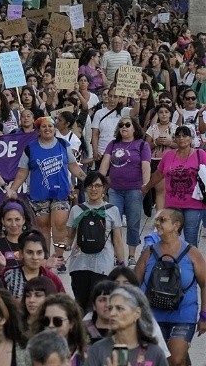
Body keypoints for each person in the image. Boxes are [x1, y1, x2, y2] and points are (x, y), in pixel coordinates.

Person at [9, 116, 87, 271]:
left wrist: (89, 179)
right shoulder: (30, 148)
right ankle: (45, 259)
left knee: (59, 225)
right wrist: (13, 189)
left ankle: (59, 259)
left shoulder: (63, 145)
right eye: (44, 127)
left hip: (61, 193)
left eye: (50, 126)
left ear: (55, 128)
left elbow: (73, 166)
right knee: (43, 227)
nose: (47, 129)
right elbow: (22, 173)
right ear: (39, 130)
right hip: (39, 194)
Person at [134, 207, 206, 366]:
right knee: (155, 362)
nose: (157, 223)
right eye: (157, 220)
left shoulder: (192, 253)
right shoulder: (148, 252)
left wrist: (204, 315)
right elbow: (133, 283)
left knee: (176, 360)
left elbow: (205, 283)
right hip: (152, 315)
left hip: (183, 314)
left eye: (162, 220)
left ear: (176, 225)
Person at [63, 172, 126, 310]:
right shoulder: (76, 210)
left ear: (104, 188)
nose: (94, 189)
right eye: (90, 186)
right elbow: (69, 236)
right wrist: (62, 251)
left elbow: (118, 240)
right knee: (80, 304)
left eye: (98, 186)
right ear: (85, 188)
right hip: (79, 265)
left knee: (98, 305)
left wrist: (122, 264)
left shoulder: (113, 210)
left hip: (103, 266)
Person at [98, 116, 151, 264]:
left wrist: (145, 187)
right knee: (114, 223)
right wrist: (99, 184)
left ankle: (132, 255)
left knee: (133, 223)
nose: (124, 127)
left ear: (135, 127)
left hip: (135, 189)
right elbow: (104, 165)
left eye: (128, 124)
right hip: (115, 190)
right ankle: (117, 255)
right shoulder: (113, 144)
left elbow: (146, 166)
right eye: (121, 125)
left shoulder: (142, 145)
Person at [143, 125, 206, 246]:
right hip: (172, 204)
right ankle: (172, 263)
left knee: (190, 239)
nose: (181, 138)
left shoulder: (200, 154)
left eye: (185, 135)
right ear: (175, 139)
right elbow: (158, 174)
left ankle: (190, 264)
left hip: (194, 203)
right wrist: (146, 187)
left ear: (191, 138)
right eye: (178, 136)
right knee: (170, 237)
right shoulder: (168, 155)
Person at [84, 285, 168, 366]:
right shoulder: (98, 350)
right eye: (110, 308)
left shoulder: (154, 353)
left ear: (137, 313)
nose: (112, 313)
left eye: (119, 308)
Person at [0, 230, 65, 299]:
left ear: (44, 254)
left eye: (39, 253)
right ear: (21, 254)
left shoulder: (51, 278)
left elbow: (63, 303)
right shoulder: (9, 274)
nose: (35, 257)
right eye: (29, 252)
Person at [32, 294, 88, 366]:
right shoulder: (32, 353)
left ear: (71, 323)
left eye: (57, 321)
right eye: (46, 321)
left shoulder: (86, 357)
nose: (50, 325)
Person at [0, 197, 36, 270]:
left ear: (23, 220)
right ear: (3, 221)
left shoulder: (33, 242)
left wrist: (47, 266)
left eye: (17, 219)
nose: (14, 224)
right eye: (9, 220)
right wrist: (1, 267)